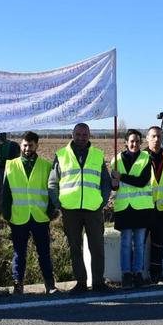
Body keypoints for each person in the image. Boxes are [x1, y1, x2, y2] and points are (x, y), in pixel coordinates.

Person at [48, 123, 112, 293]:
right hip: (70, 210)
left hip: (93, 209)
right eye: (78, 134)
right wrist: (57, 202)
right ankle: (81, 283)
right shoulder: (61, 155)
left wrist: (102, 201)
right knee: (75, 248)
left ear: (89, 135)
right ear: (73, 134)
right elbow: (53, 182)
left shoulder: (98, 155)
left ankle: (98, 282)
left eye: (85, 135)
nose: (81, 138)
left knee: (97, 247)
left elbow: (105, 182)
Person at [2, 131, 57, 295]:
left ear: (36, 145)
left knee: (44, 253)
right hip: (19, 216)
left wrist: (50, 212)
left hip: (40, 216)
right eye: (24, 145)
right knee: (19, 252)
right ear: (21, 145)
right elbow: (6, 192)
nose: (27, 148)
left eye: (30, 145)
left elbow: (51, 190)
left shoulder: (46, 166)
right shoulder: (10, 165)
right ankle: (18, 284)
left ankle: (49, 284)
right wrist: (7, 213)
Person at [111, 129, 153, 289]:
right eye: (131, 141)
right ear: (126, 142)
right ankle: (126, 274)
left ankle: (138, 273)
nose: (134, 144)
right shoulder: (116, 160)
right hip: (124, 208)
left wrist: (121, 177)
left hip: (141, 207)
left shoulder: (146, 158)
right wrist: (114, 184)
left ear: (140, 142)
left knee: (139, 243)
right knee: (126, 243)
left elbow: (142, 181)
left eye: (137, 141)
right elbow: (114, 186)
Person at [145, 126, 163, 283]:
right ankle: (137, 275)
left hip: (161, 209)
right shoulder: (140, 157)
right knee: (139, 243)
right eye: (153, 136)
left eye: (159, 136)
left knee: (158, 243)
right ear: (147, 138)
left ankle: (156, 274)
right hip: (143, 208)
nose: (156, 139)